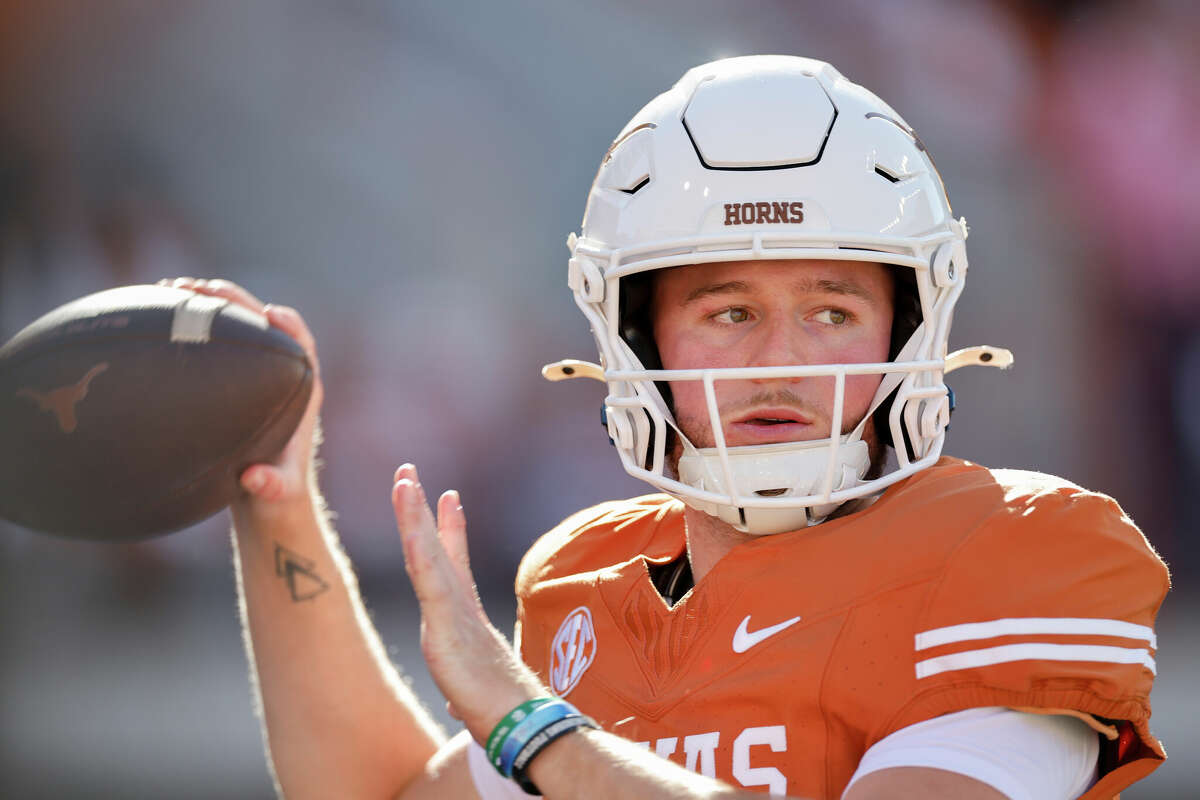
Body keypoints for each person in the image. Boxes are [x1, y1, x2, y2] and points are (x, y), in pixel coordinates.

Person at [177, 56, 1168, 799]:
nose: (780, 358)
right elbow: (379, 792)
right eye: (728, 312)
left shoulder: (1014, 551)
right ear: (638, 339)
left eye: (831, 310)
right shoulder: (594, 587)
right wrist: (281, 498)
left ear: (909, 327)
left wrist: (532, 724)